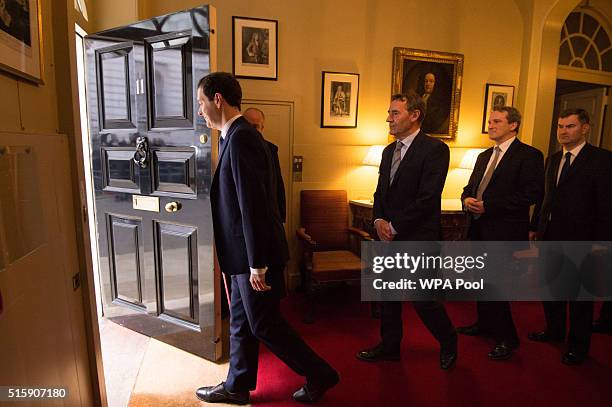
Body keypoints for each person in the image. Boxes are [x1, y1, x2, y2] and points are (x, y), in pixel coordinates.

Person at [195, 72, 338, 404]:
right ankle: (237, 386)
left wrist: (257, 264)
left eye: (201, 103)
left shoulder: (243, 138)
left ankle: (321, 373)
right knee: (242, 322)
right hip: (242, 255)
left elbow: (254, 206)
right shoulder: (233, 136)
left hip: (253, 257)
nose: (200, 111)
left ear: (218, 99)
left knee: (264, 326)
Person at [356, 91, 458, 370]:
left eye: (394, 113)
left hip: (419, 238)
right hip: (388, 238)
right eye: (389, 113)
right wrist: (378, 221)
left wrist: (395, 226)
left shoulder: (435, 150)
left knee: (423, 300)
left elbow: (428, 198)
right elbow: (380, 193)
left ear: (415, 115)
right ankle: (390, 347)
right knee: (388, 296)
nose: (388, 118)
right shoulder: (389, 151)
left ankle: (449, 341)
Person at [458, 106, 544, 360]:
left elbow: (532, 194)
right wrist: (467, 199)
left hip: (504, 232)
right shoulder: (484, 156)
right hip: (479, 228)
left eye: (496, 121)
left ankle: (508, 338)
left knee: (497, 285)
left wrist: (489, 206)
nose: (490, 125)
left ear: (513, 125)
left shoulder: (529, 155)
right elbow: (469, 186)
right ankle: (484, 324)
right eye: (490, 121)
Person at [528, 108, 612, 365]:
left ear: (585, 128)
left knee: (578, 297)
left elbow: (607, 205)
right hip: (549, 235)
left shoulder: (602, 159)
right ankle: (554, 330)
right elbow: (544, 197)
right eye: (560, 127)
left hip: (582, 238)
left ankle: (578, 345)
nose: (563, 131)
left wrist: (601, 242)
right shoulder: (553, 159)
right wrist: (534, 226)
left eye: (570, 126)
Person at [243, 107, 286, 223]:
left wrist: (280, 216)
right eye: (248, 125)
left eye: (255, 126)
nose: (251, 130)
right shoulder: (234, 148)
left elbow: (277, 182)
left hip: (266, 213)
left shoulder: (271, 150)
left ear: (262, 128)